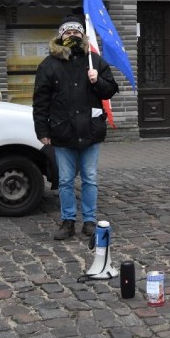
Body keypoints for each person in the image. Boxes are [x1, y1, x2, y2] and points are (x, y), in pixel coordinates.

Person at [33, 15, 118, 240]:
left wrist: (96, 80)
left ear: (82, 35)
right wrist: (42, 131)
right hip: (62, 131)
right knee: (65, 180)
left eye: (76, 32)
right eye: (68, 32)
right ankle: (68, 220)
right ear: (61, 36)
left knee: (90, 177)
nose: (72, 35)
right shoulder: (48, 65)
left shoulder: (95, 61)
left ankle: (89, 220)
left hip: (90, 130)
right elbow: (40, 102)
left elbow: (109, 90)